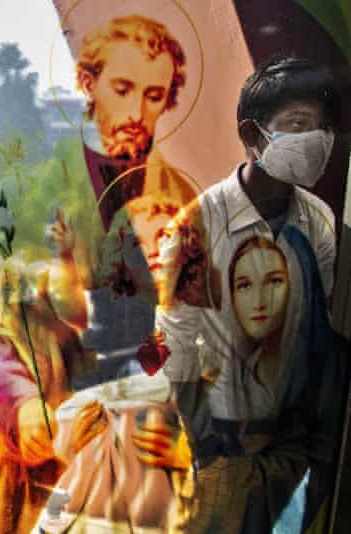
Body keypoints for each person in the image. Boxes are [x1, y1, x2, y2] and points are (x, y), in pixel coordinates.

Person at [0, 14, 197, 532]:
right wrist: (20, 403)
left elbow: (213, 333)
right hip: (44, 430)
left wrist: (186, 428)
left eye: (153, 94)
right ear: (90, 85)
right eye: (121, 88)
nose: (134, 111)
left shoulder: (182, 199)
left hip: (142, 437)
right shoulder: (38, 183)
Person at [155, 56, 348, 533]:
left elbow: (316, 329)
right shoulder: (198, 226)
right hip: (226, 449)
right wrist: (206, 450)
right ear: (252, 134)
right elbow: (175, 346)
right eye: (299, 124)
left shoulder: (319, 220)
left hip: (297, 448)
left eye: (323, 128)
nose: (316, 140)